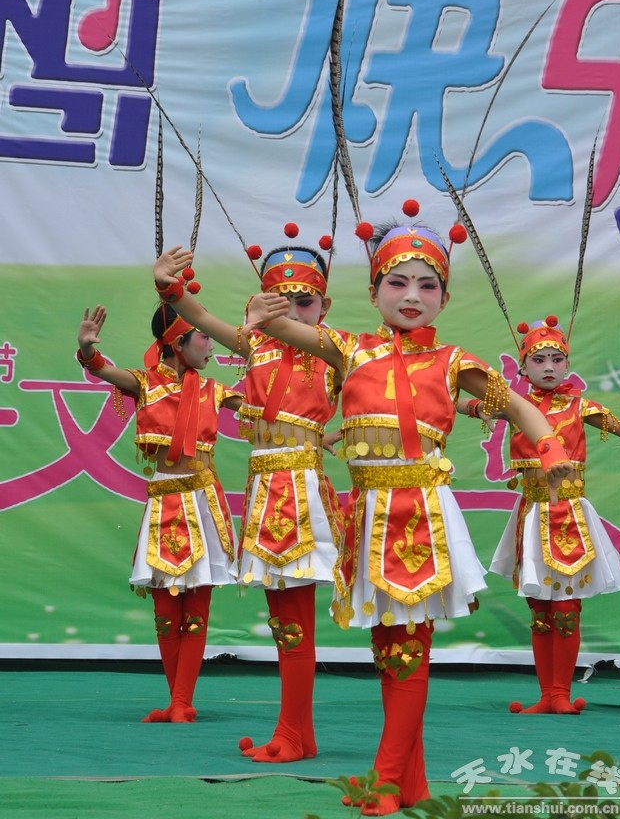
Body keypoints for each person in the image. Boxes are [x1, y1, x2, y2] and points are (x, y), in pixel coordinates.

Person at [241, 218, 574, 815]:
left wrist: (550, 450)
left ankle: (388, 779)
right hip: (370, 515)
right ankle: (409, 782)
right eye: (398, 283)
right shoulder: (348, 349)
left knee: (410, 649)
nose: (413, 296)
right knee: (389, 649)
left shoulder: (452, 361)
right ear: (373, 293)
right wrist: (215, 302)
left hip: (420, 514)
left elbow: (520, 407)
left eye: (427, 285)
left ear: (445, 297)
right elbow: (280, 326)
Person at [153, 235, 345, 763]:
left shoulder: (334, 348)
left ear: (324, 306)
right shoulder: (254, 345)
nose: (291, 311)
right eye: (279, 300)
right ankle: (297, 734)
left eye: (303, 301)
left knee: (294, 618)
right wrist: (168, 285)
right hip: (265, 490)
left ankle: (292, 734)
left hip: (299, 490)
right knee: (283, 620)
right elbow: (196, 314)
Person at [76, 288, 241, 723]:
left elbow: (267, 411)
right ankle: (176, 701)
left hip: (202, 503)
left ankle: (182, 701)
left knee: (196, 611)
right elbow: (102, 369)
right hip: (166, 504)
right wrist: (87, 348)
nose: (211, 343)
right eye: (203, 335)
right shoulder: (146, 383)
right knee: (166, 613)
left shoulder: (214, 390)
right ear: (177, 343)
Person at [488, 316, 620, 715]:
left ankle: (561, 693)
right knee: (539, 611)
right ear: (523, 367)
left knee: (566, 610)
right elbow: (469, 405)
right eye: (539, 360)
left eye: (556, 359)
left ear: (567, 364)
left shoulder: (581, 407)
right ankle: (546, 695)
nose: (548, 367)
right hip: (531, 515)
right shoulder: (515, 407)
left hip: (569, 515)